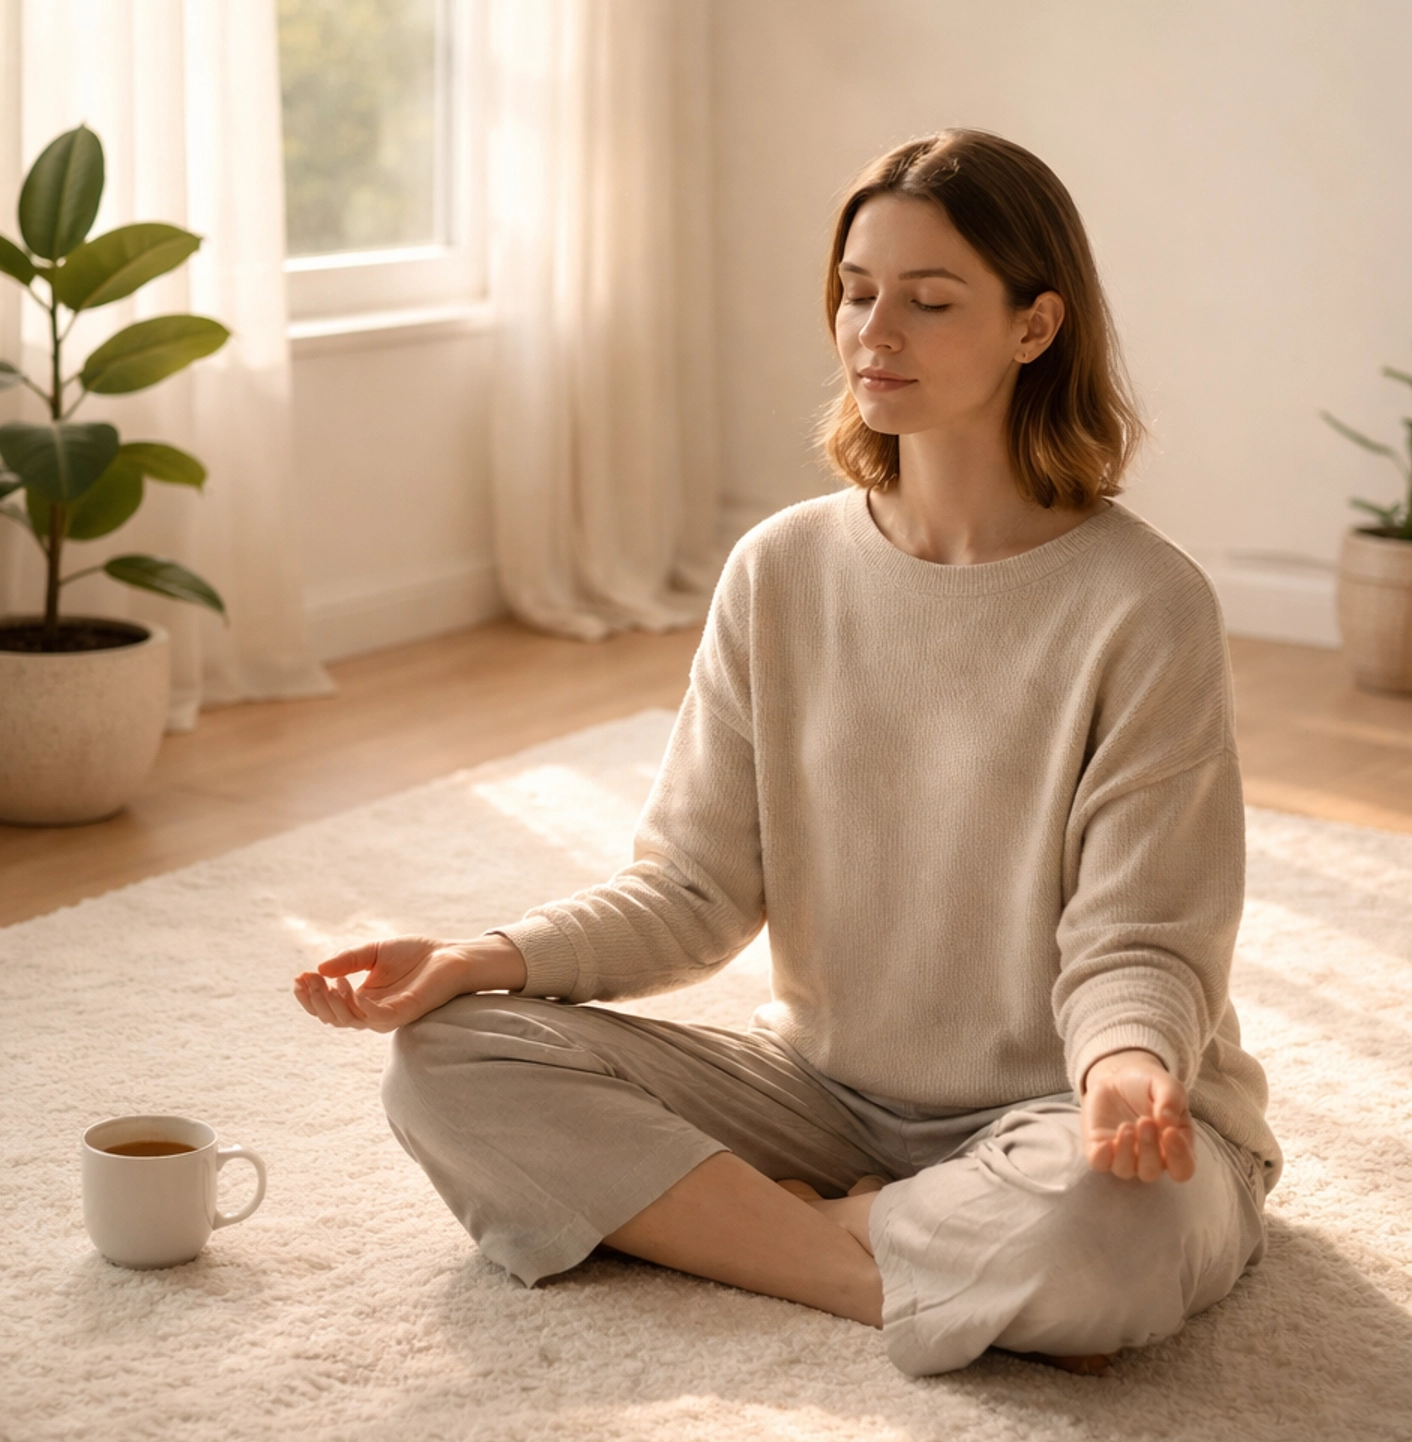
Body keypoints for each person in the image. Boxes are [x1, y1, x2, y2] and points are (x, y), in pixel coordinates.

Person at [294, 129, 1278, 1377]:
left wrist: (1131, 1068)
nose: (876, 332)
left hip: (1070, 1109)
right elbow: (693, 891)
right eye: (857, 293)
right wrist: (481, 956)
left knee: (1115, 1225)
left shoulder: (1145, 604)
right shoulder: (782, 570)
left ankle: (786, 1234)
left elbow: (1141, 934)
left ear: (1036, 328)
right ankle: (870, 1261)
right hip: (825, 1099)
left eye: (928, 301)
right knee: (447, 1059)